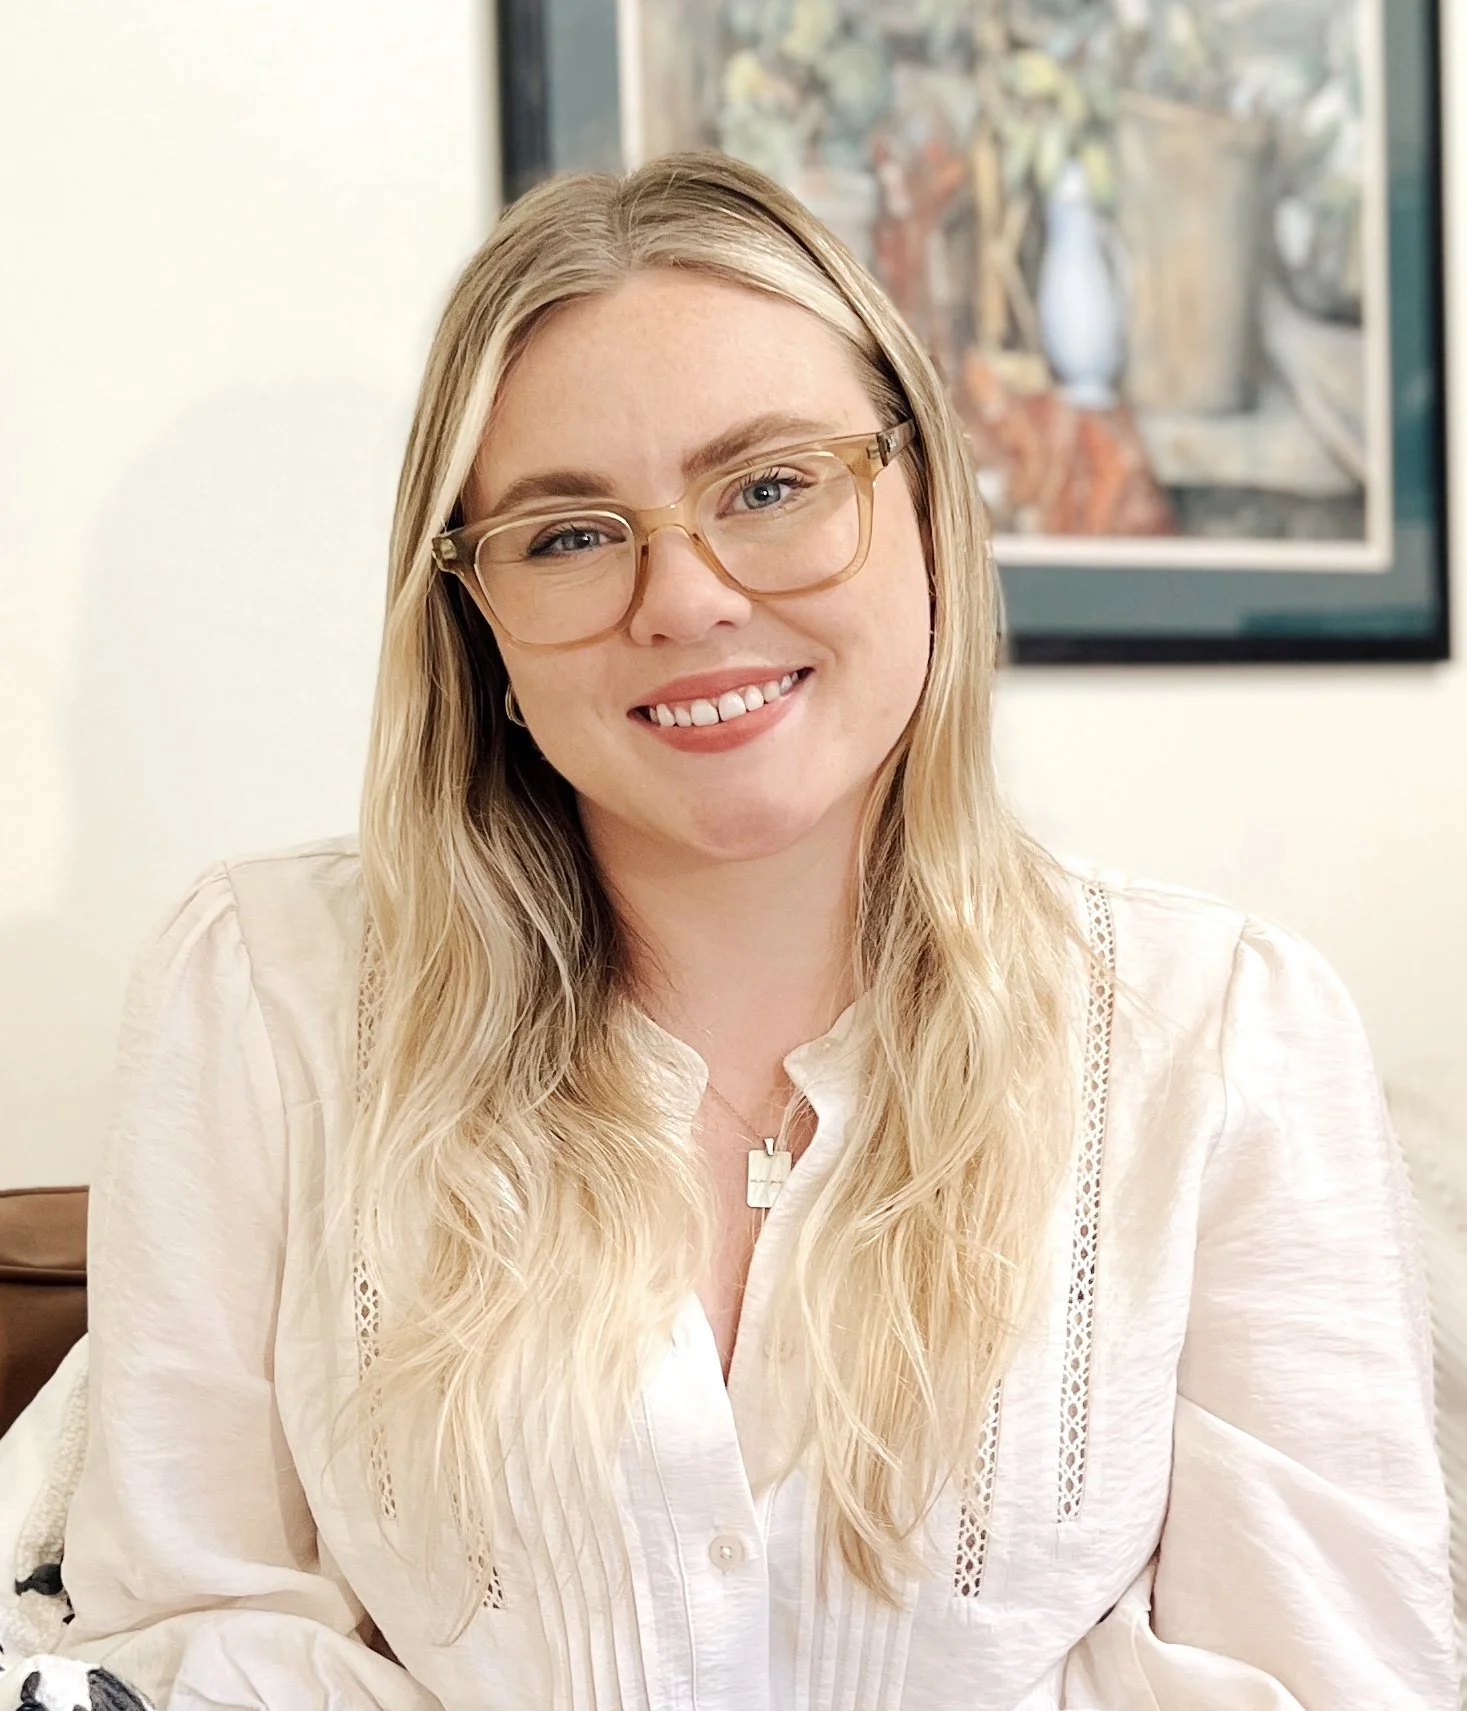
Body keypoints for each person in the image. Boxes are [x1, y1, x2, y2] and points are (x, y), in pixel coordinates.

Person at [49, 153, 1458, 1708]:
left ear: (922, 506)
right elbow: (184, 1639)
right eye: (571, 533)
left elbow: (1330, 1676)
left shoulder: (1227, 1033)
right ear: (480, 621)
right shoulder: (264, 997)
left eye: (770, 487)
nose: (687, 598)